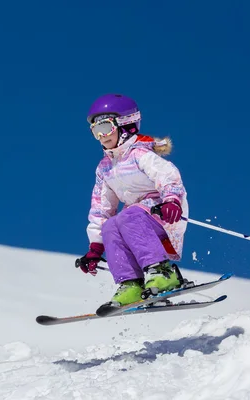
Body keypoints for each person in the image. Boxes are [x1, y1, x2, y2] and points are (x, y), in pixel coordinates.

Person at [77, 93, 189, 308]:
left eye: (105, 128)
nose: (101, 136)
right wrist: (95, 247)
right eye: (95, 131)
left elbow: (168, 175)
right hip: (135, 220)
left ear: (126, 124)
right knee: (111, 225)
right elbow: (101, 209)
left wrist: (172, 200)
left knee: (129, 215)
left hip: (164, 213)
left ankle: (163, 271)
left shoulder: (140, 155)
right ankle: (131, 283)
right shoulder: (105, 168)